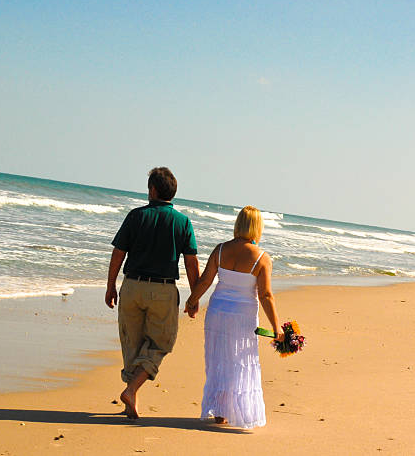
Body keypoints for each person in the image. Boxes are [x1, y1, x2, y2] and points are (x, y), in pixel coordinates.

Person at [104, 167, 199, 419]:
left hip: (133, 285)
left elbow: (118, 253)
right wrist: (194, 296)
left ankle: (130, 396)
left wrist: (110, 284)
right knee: (161, 342)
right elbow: (191, 262)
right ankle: (132, 390)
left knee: (131, 344)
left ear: (153, 190)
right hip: (163, 289)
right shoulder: (182, 222)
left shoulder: (136, 216)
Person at [184, 205, 283, 428]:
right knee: (239, 360)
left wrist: (192, 302)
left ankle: (220, 411)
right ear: (258, 227)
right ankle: (238, 411)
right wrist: (276, 327)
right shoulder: (262, 258)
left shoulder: (220, 250)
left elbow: (206, 281)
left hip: (218, 311)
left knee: (218, 358)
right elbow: (266, 295)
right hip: (243, 314)